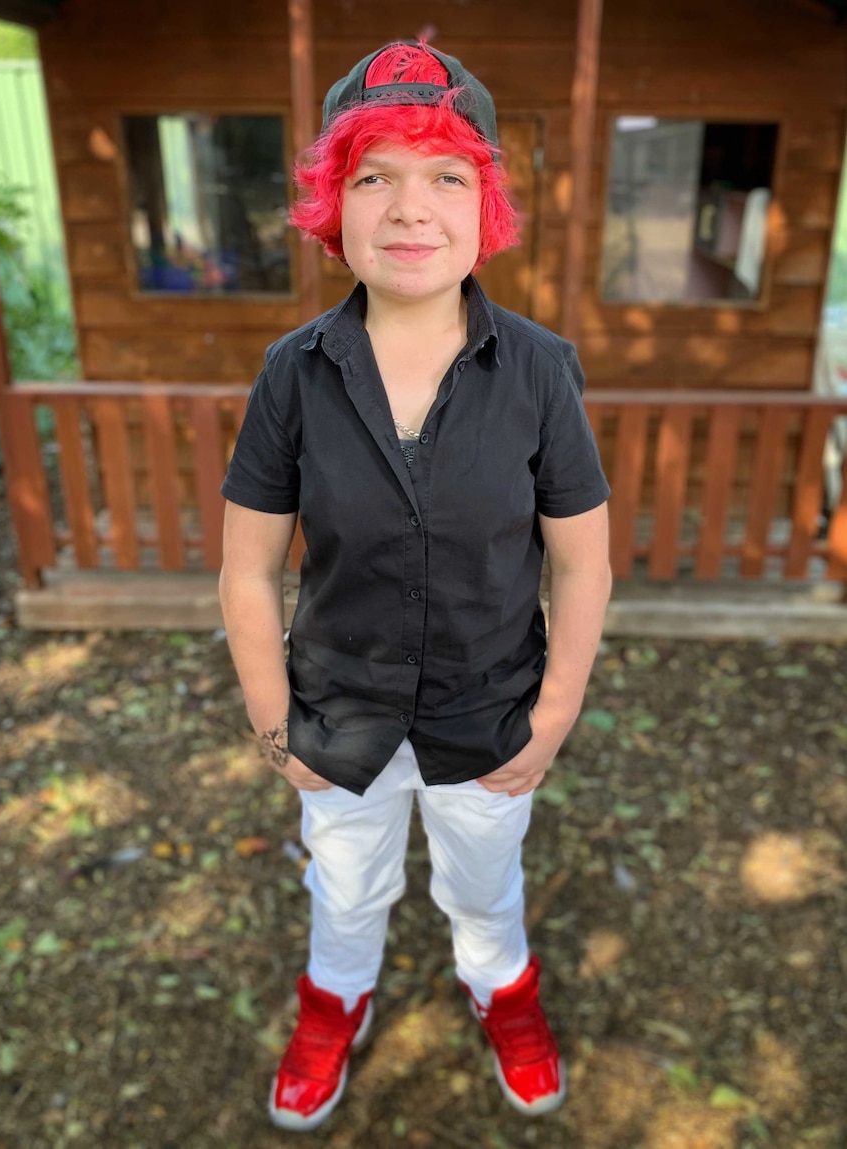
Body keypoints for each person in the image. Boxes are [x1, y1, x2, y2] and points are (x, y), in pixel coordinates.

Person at [218, 41, 612, 1132]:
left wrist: (553, 714)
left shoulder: (538, 368)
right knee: (344, 892)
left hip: (491, 709)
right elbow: (246, 565)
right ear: (329, 207)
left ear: (482, 207)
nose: (408, 208)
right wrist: (271, 724)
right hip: (334, 714)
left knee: (483, 891)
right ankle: (332, 1004)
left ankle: (506, 995)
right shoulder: (291, 373)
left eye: (445, 175)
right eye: (371, 174)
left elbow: (580, 558)